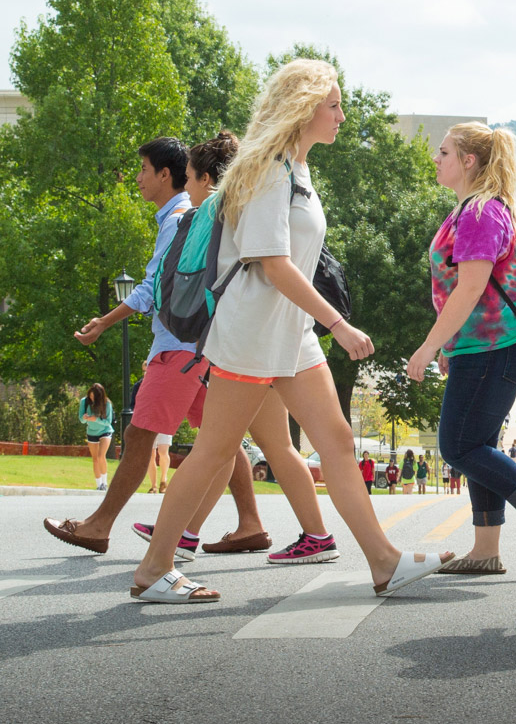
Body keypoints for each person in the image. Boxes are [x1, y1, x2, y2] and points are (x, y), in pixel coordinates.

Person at [128, 60, 451, 602]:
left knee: (339, 443)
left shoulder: (297, 169)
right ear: (304, 108)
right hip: (253, 333)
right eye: (334, 106)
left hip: (290, 333)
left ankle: (384, 561)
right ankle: (154, 569)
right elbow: (272, 263)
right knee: (214, 449)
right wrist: (339, 323)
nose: (342, 117)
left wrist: (318, 323)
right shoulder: (268, 169)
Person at [45, 137, 269, 558]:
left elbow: (155, 286)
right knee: (222, 437)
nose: (138, 178)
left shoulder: (181, 218)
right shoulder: (186, 215)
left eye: (143, 170)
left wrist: (105, 321)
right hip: (204, 344)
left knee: (140, 430)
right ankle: (250, 524)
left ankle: (99, 525)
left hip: (180, 345)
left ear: (166, 175)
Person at [130, 131, 338, 563]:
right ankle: (311, 536)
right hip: (274, 336)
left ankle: (176, 542)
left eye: (188, 178)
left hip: (247, 341)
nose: (185, 187)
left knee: (217, 445)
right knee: (265, 445)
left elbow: (206, 281)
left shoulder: (217, 208)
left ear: (207, 178)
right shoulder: (260, 192)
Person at [406, 121, 516, 577]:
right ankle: (485, 549)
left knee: (458, 446)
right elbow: (465, 289)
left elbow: (471, 287)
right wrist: (449, 345)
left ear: (469, 161)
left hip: (494, 349)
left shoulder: (479, 213)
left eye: (444, 152)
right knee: (477, 444)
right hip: (483, 348)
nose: (436, 159)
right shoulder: (475, 211)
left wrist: (429, 344)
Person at [78, 384, 114, 491]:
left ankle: (105, 482)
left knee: (101, 456)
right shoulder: (84, 402)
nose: (92, 399)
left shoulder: (106, 403)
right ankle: (98, 484)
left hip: (105, 431)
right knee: (95, 459)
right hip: (92, 432)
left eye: (94, 397)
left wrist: (96, 419)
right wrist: (85, 418)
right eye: (90, 396)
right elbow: (81, 419)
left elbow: (108, 422)